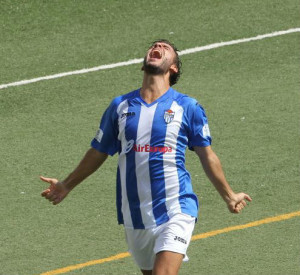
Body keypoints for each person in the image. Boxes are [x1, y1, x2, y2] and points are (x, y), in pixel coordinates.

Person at [41, 39, 252, 275]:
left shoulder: (187, 107)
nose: (157, 48)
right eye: (154, 46)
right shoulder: (120, 106)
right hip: (135, 215)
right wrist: (66, 185)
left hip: (177, 207)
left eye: (165, 48)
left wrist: (229, 195)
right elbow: (99, 151)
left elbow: (207, 155)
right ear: (143, 64)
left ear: (174, 68)